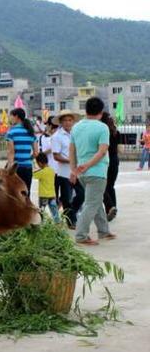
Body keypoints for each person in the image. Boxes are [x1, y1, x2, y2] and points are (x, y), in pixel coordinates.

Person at [70, 97, 116, 246]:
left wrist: (74, 170)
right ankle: (81, 235)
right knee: (92, 203)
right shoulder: (102, 127)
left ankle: (103, 231)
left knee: (95, 201)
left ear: (86, 110)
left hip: (82, 172)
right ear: (101, 112)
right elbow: (102, 151)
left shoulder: (76, 127)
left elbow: (72, 150)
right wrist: (89, 165)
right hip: (97, 171)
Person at [52, 110, 84, 228]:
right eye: (65, 120)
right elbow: (56, 155)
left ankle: (72, 214)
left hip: (76, 171)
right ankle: (71, 221)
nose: (67, 123)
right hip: (63, 172)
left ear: (73, 121)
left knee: (82, 194)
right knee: (66, 198)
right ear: (61, 122)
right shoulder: (57, 136)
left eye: (70, 120)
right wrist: (70, 160)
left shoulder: (75, 134)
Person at [6, 108, 38, 194]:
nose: (10, 118)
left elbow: (11, 152)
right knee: (26, 192)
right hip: (28, 167)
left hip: (16, 168)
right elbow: (36, 153)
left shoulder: (11, 132)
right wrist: (28, 159)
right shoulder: (31, 132)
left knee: (15, 193)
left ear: (16, 116)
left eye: (11, 116)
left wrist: (9, 167)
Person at [101, 112, 120, 221]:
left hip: (106, 161)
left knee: (103, 186)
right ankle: (113, 207)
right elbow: (119, 149)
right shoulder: (116, 132)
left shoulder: (103, 132)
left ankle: (110, 208)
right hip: (115, 160)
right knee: (111, 186)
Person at [33, 153, 60, 223]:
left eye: (37, 164)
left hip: (43, 196)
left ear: (40, 163)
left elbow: (33, 175)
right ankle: (58, 223)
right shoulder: (52, 171)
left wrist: (34, 167)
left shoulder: (41, 172)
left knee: (42, 212)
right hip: (52, 195)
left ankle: (42, 223)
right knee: (54, 211)